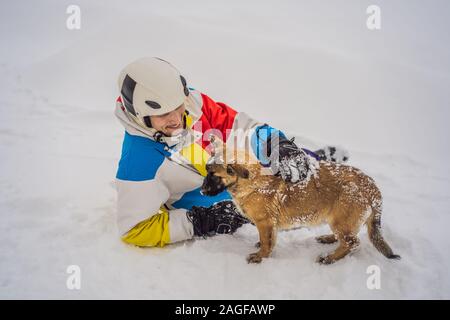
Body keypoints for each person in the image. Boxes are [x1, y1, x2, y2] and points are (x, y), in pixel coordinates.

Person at [114, 57, 348, 247]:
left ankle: (313, 159)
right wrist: (199, 222)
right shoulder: (138, 161)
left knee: (281, 165)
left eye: (177, 106)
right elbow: (134, 229)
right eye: (164, 114)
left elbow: (239, 127)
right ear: (140, 116)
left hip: (226, 168)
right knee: (283, 204)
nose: (177, 119)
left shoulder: (191, 103)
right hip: (204, 199)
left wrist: (276, 145)